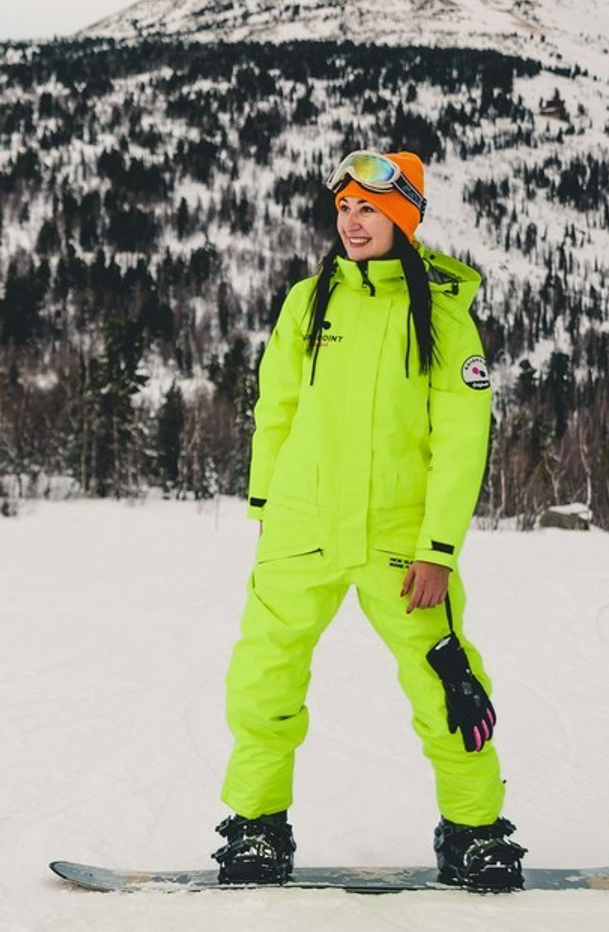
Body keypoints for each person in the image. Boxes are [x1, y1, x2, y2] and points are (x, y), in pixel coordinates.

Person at [214, 149, 526, 892]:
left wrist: (438, 550)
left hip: (400, 544)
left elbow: (460, 444)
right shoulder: (307, 301)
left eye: (370, 210)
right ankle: (257, 828)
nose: (353, 224)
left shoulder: (445, 318)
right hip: (301, 530)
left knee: (447, 687)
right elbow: (277, 410)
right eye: (345, 209)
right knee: (263, 683)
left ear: (404, 218)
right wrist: (266, 506)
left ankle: (474, 831)